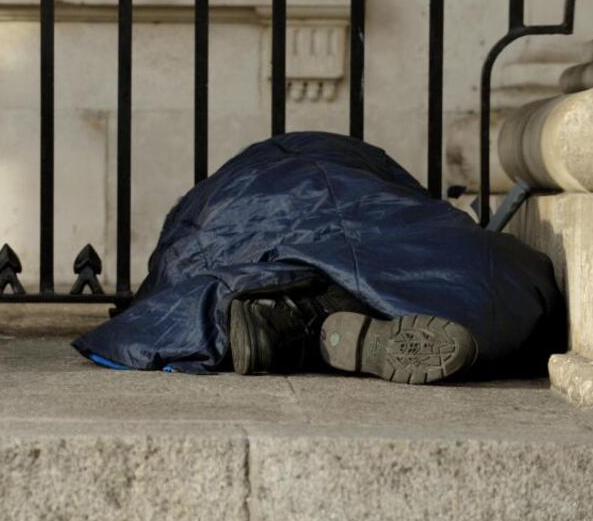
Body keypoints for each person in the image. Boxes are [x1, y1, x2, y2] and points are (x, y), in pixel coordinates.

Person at [72, 132, 564, 384]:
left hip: (236, 225)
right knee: (486, 276)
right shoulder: (372, 177)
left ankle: (297, 322)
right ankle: (312, 316)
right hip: (301, 204)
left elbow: (170, 271)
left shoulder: (214, 198)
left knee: (316, 255)